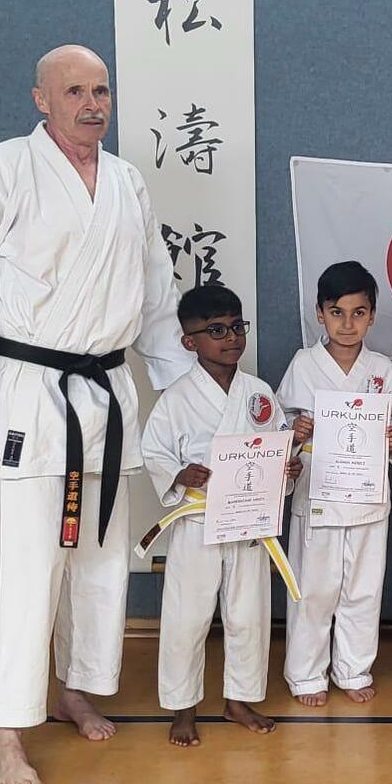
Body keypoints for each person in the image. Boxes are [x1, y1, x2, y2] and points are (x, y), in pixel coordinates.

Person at [0, 45, 189, 784]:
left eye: (102, 89)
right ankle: (6, 730)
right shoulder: (3, 169)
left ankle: (74, 685)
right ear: (41, 99)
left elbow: (156, 302)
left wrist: (200, 397)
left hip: (105, 395)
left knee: (99, 554)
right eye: (74, 90)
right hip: (23, 390)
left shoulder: (126, 183)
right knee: (23, 563)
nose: (92, 103)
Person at [142, 285, 300, 746]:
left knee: (249, 614)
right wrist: (180, 474)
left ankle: (239, 699)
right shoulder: (176, 397)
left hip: (249, 523)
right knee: (187, 618)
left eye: (236, 327)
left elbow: (275, 445)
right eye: (216, 330)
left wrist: (286, 468)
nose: (230, 337)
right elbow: (153, 451)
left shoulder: (259, 393)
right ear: (189, 341)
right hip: (197, 523)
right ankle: (183, 706)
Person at [276, 261, 392, 706]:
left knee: (363, 588)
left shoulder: (382, 370)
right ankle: (306, 674)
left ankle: (354, 669)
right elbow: (282, 424)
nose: (347, 324)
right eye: (337, 312)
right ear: (319, 313)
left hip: (368, 495)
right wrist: (296, 433)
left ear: (372, 315)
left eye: (358, 313)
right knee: (314, 588)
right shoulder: (303, 365)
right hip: (318, 491)